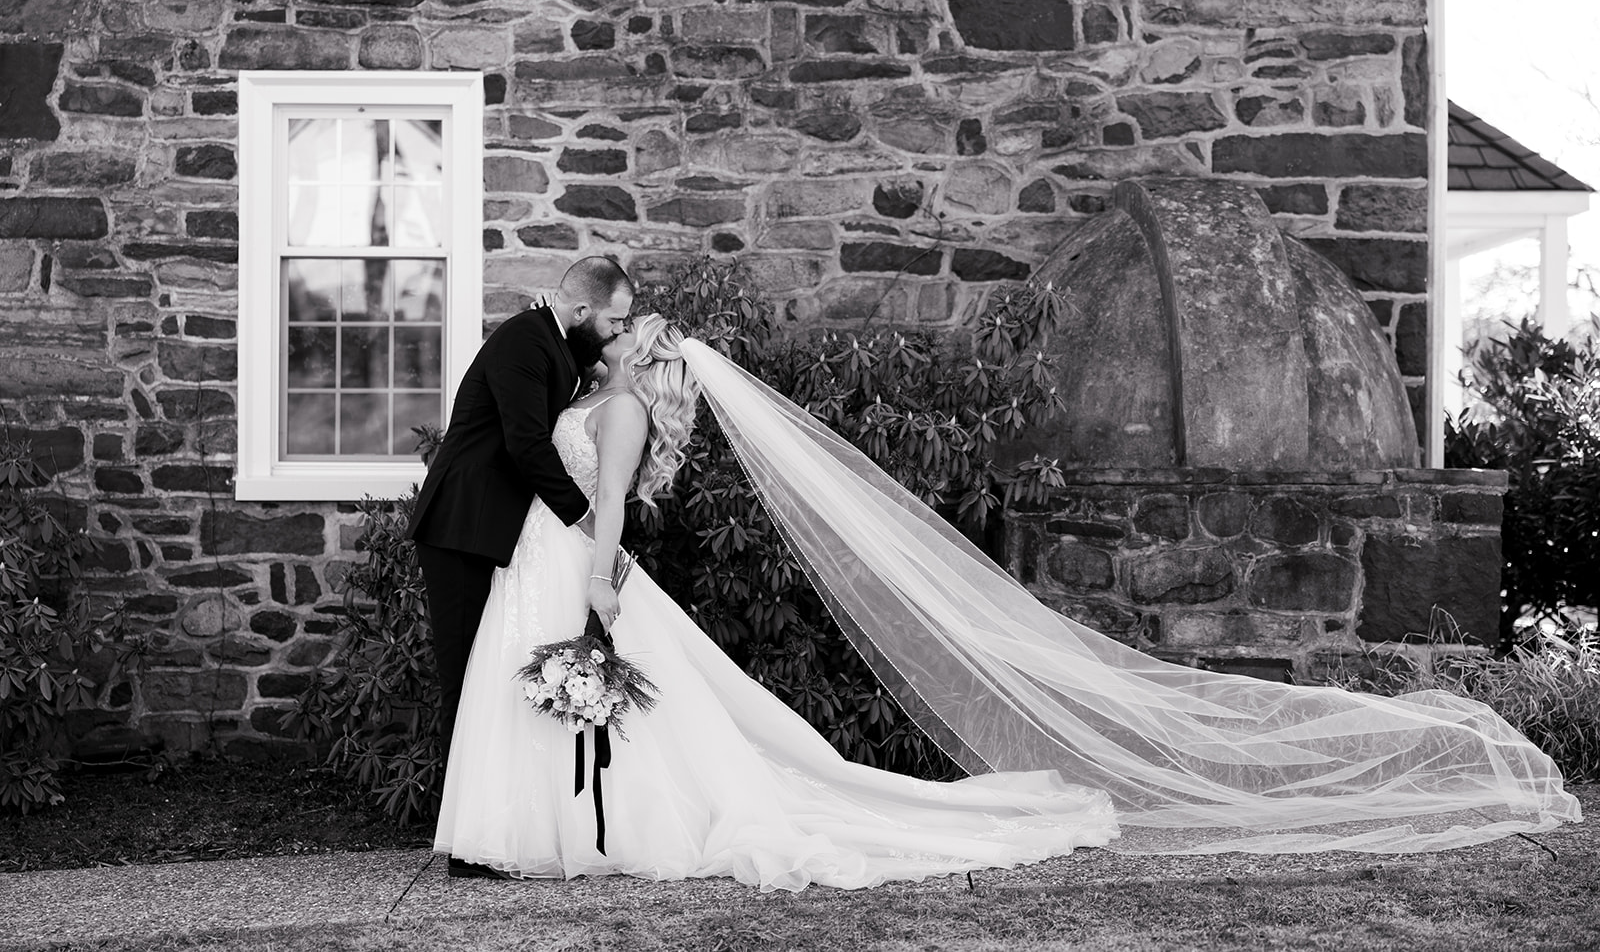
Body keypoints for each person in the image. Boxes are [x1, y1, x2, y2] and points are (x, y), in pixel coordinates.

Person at [435, 316, 1581, 888]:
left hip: (574, 565)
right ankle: (554, 828)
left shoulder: (624, 410)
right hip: (552, 561)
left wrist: (597, 587)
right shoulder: (625, 403)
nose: (616, 342)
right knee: (643, 715)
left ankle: (573, 831)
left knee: (643, 716)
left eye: (630, 338)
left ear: (647, 365)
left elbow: (610, 517)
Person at [406, 256, 632, 877]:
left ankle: (490, 824)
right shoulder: (526, 341)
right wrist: (583, 520)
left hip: (499, 535)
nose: (617, 332)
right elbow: (524, 444)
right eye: (614, 320)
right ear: (581, 310)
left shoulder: (553, 341)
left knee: (488, 674)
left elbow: (576, 401)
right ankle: (466, 842)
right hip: (462, 530)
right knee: (464, 676)